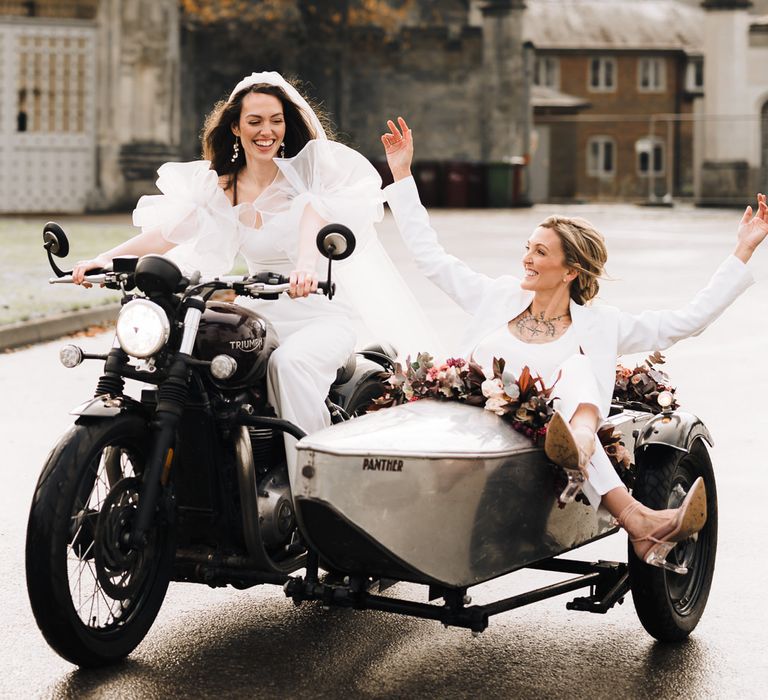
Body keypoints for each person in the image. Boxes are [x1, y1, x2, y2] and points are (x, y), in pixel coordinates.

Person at [380, 116, 768, 571]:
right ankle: (637, 518)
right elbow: (430, 256)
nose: (527, 257)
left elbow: (688, 320)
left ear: (570, 272)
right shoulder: (497, 296)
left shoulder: (601, 324)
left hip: (540, 445)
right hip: (474, 425)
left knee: (579, 371)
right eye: (529, 246)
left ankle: (579, 445)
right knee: (571, 376)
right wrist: (402, 175)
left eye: (540, 252)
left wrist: (743, 249)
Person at [71, 71, 419, 471]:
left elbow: (312, 227)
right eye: (255, 121)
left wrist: (306, 266)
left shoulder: (304, 184)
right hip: (260, 318)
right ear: (236, 126)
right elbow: (166, 234)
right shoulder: (222, 188)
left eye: (275, 120)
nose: (266, 131)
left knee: (288, 365)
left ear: (286, 126)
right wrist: (106, 259)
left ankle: (317, 483)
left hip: (318, 314)